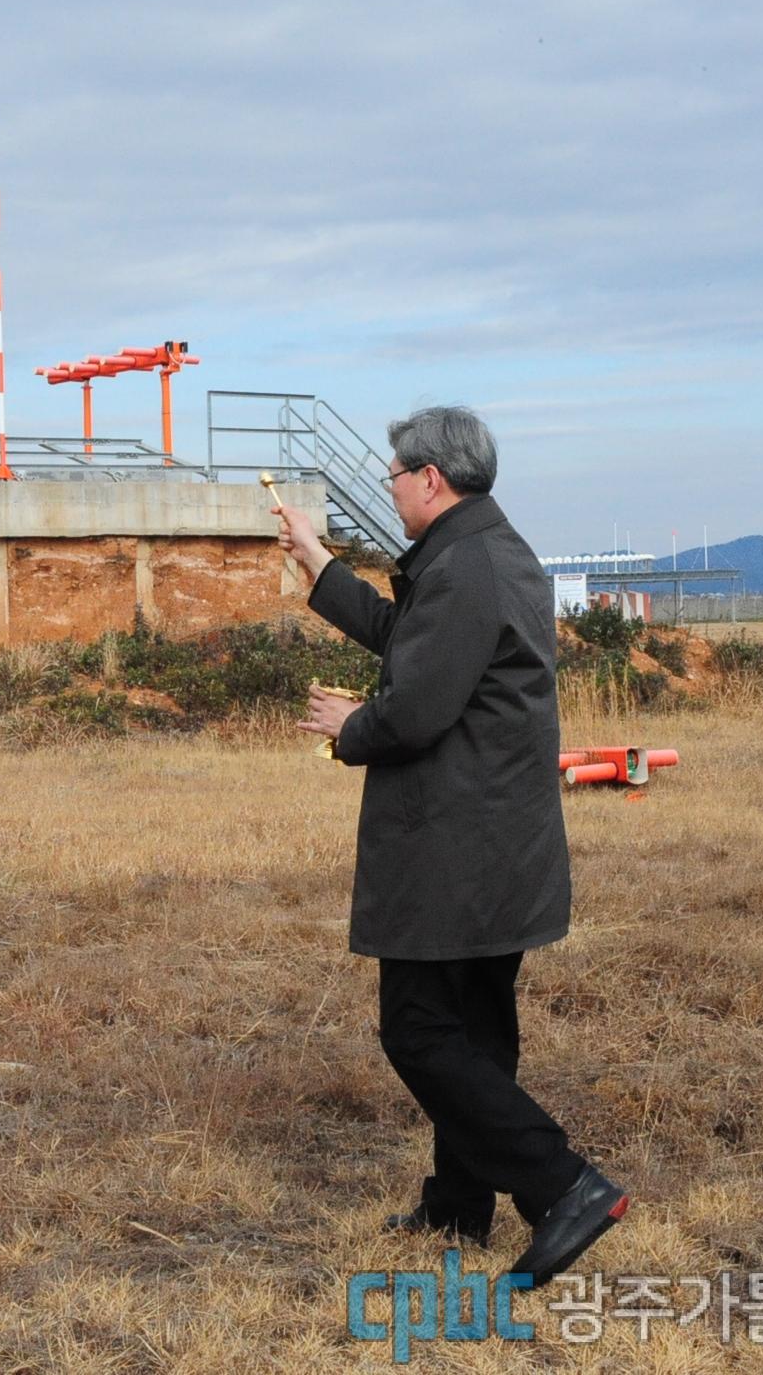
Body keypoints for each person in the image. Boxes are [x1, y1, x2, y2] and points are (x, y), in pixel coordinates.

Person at [271, 405, 627, 1286]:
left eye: (395, 476)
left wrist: (352, 727)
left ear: (430, 478)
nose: (391, 491)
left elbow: (416, 708)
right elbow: (417, 645)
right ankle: (461, 1205)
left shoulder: (466, 564)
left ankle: (564, 1184)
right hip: (496, 845)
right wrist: (319, 563)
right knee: (477, 1029)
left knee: (420, 1031)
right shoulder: (482, 552)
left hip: (459, 851)